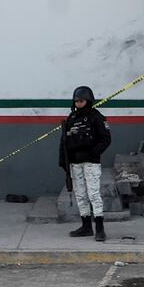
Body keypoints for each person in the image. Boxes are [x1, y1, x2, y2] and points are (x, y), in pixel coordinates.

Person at [58, 85, 112, 242]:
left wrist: (93, 153)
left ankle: (100, 229)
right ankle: (86, 226)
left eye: (81, 101)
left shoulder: (96, 117)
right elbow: (64, 141)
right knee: (80, 195)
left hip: (91, 163)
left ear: (88, 101)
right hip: (75, 163)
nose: (78, 104)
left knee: (94, 195)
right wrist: (63, 161)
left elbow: (106, 139)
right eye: (76, 101)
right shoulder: (72, 117)